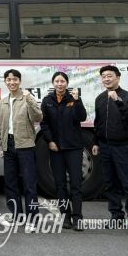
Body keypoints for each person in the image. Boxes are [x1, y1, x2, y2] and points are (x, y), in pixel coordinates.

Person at [92, 65, 128, 236]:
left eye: (110, 76)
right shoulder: (100, 98)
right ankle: (116, 216)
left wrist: (118, 101)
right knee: (110, 184)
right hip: (105, 147)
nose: (106, 79)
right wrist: (95, 142)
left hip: (123, 147)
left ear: (118, 78)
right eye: (103, 76)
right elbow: (98, 123)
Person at [0, 69, 42, 232]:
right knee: (10, 184)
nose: (12, 82)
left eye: (15, 79)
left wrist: (29, 100)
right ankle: (17, 216)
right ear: (5, 82)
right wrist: (1, 146)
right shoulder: (2, 102)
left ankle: (33, 219)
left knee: (29, 184)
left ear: (20, 81)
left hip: (25, 145)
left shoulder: (27, 98)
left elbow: (38, 117)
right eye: (8, 80)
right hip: (8, 145)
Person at [40, 71, 87, 231]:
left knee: (76, 184)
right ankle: (65, 216)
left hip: (74, 147)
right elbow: (44, 123)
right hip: (56, 149)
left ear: (67, 83)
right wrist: (50, 141)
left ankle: (77, 218)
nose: (60, 84)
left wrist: (77, 100)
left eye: (62, 81)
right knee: (60, 184)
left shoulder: (73, 99)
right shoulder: (47, 101)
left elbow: (81, 117)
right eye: (57, 81)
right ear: (53, 83)